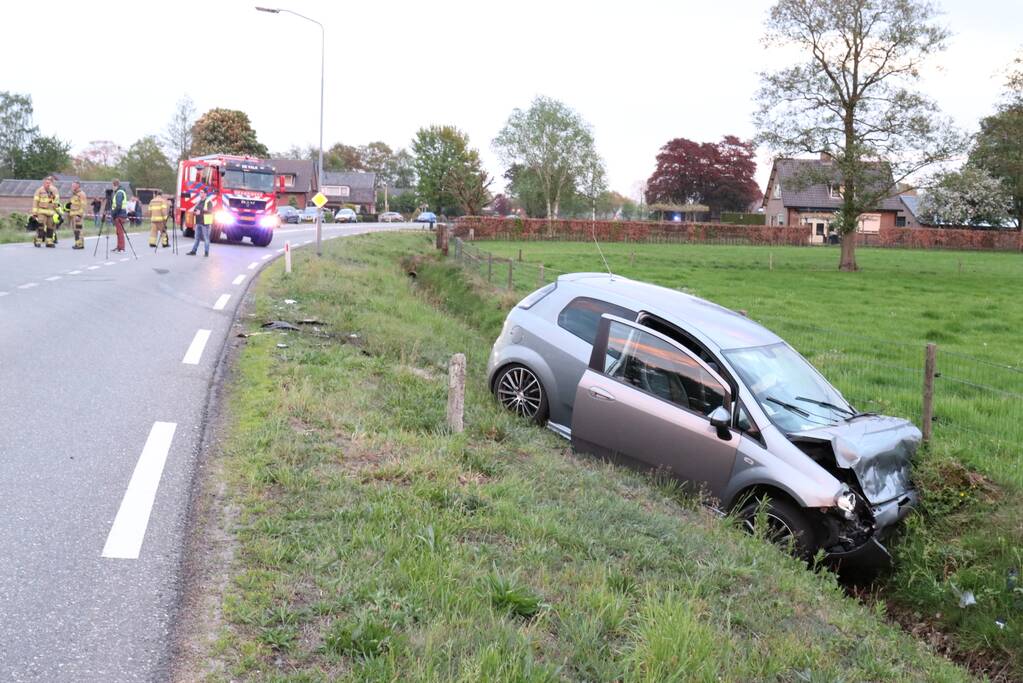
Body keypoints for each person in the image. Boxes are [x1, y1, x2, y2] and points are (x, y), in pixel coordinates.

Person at [31, 176, 60, 248]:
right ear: (44, 183)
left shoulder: (53, 191)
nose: (48, 184)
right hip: (41, 212)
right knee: (41, 226)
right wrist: (34, 213)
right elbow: (35, 202)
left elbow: (55, 203)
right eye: (47, 183)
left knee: (50, 227)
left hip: (51, 213)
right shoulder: (39, 191)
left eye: (49, 183)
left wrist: (58, 212)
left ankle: (49, 242)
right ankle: (38, 241)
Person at [187, 190, 213, 257]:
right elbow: (195, 211)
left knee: (206, 238)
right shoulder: (198, 202)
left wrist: (201, 212)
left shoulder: (208, 202)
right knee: (197, 238)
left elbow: (210, 211)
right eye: (200, 192)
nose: (200, 194)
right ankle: (193, 251)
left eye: (202, 192)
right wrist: (194, 222)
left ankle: (206, 252)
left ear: (205, 194)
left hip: (205, 223)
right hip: (198, 222)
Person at [68, 180, 88, 249]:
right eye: (72, 185)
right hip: (73, 215)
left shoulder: (81, 194)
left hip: (78, 216)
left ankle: (80, 244)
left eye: (73, 185)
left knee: (79, 230)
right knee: (75, 230)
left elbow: (83, 205)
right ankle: (77, 243)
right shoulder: (74, 194)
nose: (72, 187)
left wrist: (79, 215)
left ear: (78, 186)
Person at [110, 179, 128, 252]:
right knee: (118, 232)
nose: (112, 187)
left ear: (115, 185)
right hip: (121, 214)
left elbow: (118, 205)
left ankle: (121, 248)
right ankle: (119, 246)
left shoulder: (119, 193)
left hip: (119, 214)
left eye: (112, 186)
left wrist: (113, 213)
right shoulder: (120, 192)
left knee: (120, 232)